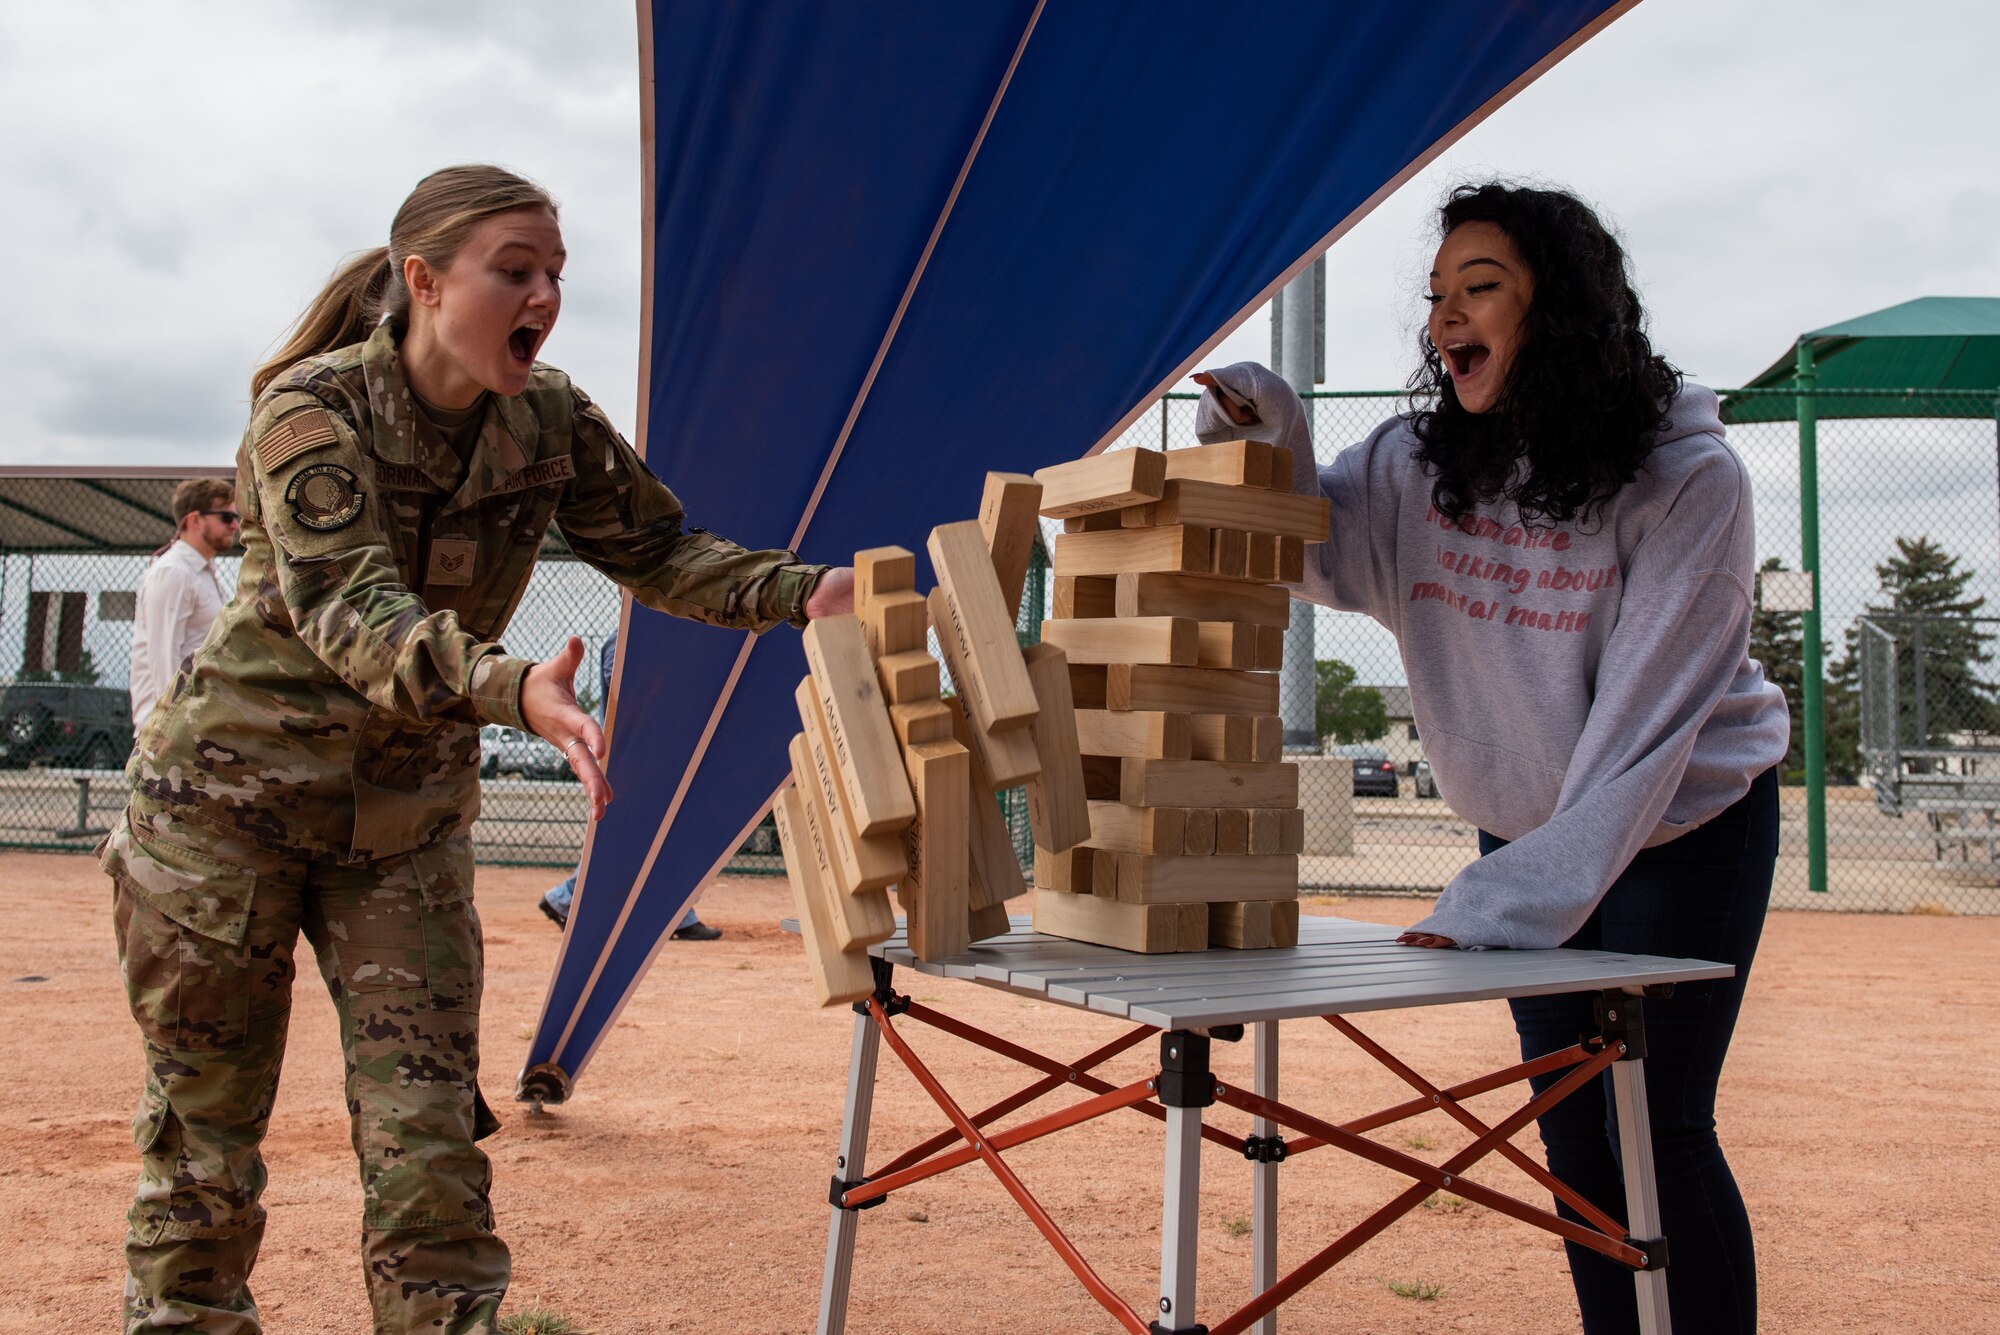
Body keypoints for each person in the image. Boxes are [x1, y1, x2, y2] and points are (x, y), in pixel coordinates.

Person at [100, 163, 853, 1334]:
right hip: (222, 820)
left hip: (399, 831)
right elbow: (352, 611)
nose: (545, 293)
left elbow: (659, 550)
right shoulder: (311, 410)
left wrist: (808, 594)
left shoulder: (547, 415)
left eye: (555, 273)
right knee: (206, 1141)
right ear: (423, 280)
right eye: (516, 269)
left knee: (429, 1133)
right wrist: (513, 689)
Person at [1195, 182, 1788, 1335]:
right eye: (1434, 296)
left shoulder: (1687, 479)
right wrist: (1257, 419)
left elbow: (1645, 730)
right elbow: (1312, 544)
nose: (1444, 318)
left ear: (1556, 310)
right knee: (1573, 1133)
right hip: (1526, 829)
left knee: (1654, 1126)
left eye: (1479, 289)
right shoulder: (1424, 462)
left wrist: (1499, 900)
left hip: (1680, 826)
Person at [537, 626, 719, 939]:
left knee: (659, 836)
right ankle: (567, 899)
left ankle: (675, 913)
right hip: (633, 761)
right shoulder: (623, 639)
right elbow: (635, 696)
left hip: (660, 757)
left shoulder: (664, 638)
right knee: (633, 840)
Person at [127, 478, 240, 727]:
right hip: (171, 731)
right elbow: (164, 657)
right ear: (194, 520)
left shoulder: (200, 571)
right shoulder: (174, 572)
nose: (235, 526)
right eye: (226, 517)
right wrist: (172, 727)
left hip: (195, 723)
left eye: (235, 517)